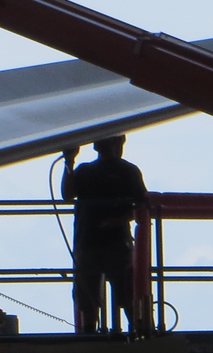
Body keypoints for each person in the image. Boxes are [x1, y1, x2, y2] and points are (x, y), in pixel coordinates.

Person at [62, 134, 148, 334]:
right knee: (87, 292)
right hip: (88, 239)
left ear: (118, 142)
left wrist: (117, 221)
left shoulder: (127, 171)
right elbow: (67, 194)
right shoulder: (85, 170)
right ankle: (90, 331)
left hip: (114, 241)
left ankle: (137, 329)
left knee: (125, 290)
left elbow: (141, 204)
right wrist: (69, 161)